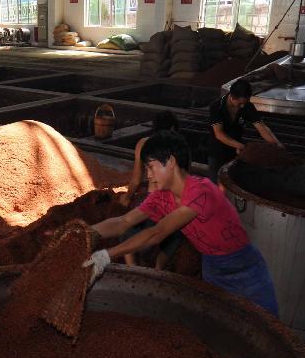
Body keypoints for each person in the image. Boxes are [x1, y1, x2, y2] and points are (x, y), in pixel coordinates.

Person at [82, 131, 278, 315]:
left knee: (265, 323)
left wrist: (107, 255)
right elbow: (123, 221)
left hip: (244, 266)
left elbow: (158, 232)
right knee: (223, 323)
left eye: (151, 167)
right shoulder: (161, 197)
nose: (148, 176)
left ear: (171, 162)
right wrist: (84, 232)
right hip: (212, 266)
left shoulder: (201, 190)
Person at [119, 111, 185, 269]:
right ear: (171, 128)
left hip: (152, 198)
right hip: (171, 200)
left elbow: (135, 180)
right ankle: (158, 267)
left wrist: (127, 197)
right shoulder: (177, 147)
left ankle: (132, 266)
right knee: (176, 234)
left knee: (126, 229)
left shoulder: (143, 144)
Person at [207, 78, 283, 183]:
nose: (242, 106)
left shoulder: (248, 106)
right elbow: (219, 134)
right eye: (239, 104)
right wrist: (242, 147)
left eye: (245, 103)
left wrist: (277, 145)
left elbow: (262, 127)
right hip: (217, 153)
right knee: (216, 186)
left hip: (235, 154)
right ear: (231, 97)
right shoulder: (217, 106)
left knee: (232, 184)